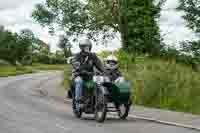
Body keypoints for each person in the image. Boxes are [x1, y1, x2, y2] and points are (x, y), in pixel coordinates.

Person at [71, 38, 105, 111]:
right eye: (84, 46)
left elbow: (99, 65)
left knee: (98, 82)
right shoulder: (77, 56)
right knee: (79, 82)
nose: (86, 48)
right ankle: (78, 101)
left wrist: (104, 72)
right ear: (81, 47)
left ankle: (97, 100)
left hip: (90, 76)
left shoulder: (93, 56)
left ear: (90, 46)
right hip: (79, 75)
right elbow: (76, 65)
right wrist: (81, 70)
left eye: (88, 46)